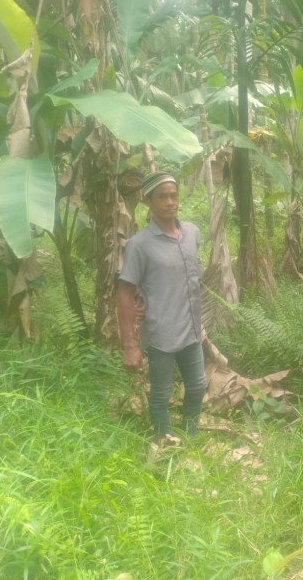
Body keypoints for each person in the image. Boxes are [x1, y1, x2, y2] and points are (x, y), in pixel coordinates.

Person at [117, 171, 208, 446]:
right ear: (147, 201)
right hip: (161, 333)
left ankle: (189, 439)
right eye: (162, 197)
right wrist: (129, 346)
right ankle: (165, 445)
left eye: (174, 195)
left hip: (191, 330)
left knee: (197, 387)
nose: (170, 202)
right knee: (161, 394)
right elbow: (124, 293)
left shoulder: (192, 232)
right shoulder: (139, 245)